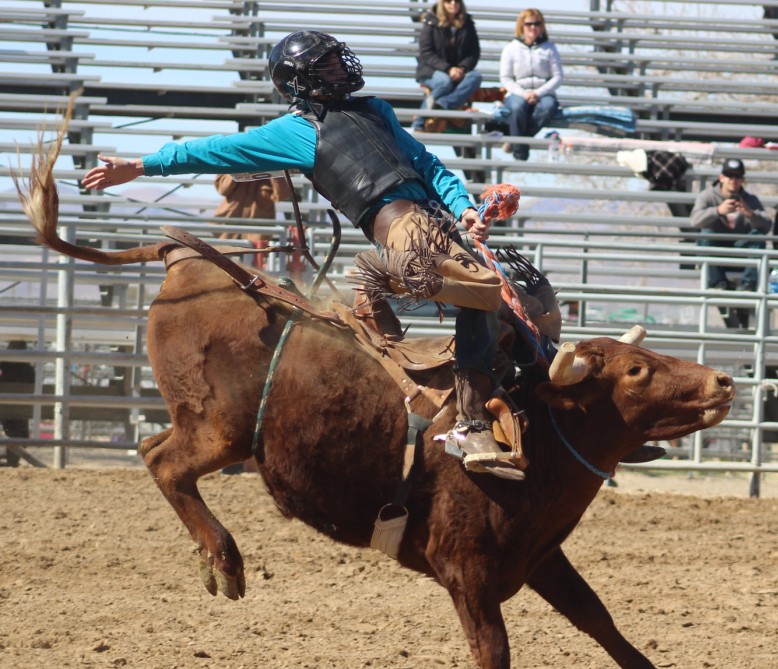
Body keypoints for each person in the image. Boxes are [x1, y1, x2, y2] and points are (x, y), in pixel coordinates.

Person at [81, 30, 522, 481]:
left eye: (336, 59)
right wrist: (140, 166)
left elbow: (428, 164)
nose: (341, 67)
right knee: (486, 291)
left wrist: (464, 208)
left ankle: (526, 397)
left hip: (437, 225)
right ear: (300, 80)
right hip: (403, 230)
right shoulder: (297, 131)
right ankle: (470, 424)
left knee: (523, 307)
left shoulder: (375, 110)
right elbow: (216, 151)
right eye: (328, 63)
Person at [689, 158, 772, 329]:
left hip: (740, 250)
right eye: (729, 175)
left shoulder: (750, 199)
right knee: (706, 234)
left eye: (737, 176)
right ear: (721, 177)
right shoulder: (708, 196)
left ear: (742, 179)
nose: (733, 180)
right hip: (716, 250)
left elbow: (766, 226)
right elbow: (694, 221)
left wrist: (749, 214)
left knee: (757, 236)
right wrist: (718, 211)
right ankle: (718, 284)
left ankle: (748, 285)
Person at [499, 8, 563, 162]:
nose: (533, 27)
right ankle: (520, 155)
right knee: (517, 107)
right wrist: (524, 93)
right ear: (522, 26)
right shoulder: (511, 48)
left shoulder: (550, 48)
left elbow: (557, 76)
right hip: (518, 92)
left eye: (537, 23)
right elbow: (506, 78)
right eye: (529, 24)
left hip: (543, 93)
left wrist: (538, 93)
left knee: (548, 106)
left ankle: (516, 141)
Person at [413, 0, 483, 132]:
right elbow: (426, 53)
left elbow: (474, 53)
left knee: (475, 77)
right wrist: (448, 69)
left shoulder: (468, 23)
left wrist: (462, 69)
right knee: (444, 82)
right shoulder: (430, 22)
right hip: (431, 70)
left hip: (458, 72)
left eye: (456, 1)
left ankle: (442, 104)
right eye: (448, 1)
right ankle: (419, 122)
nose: (453, 4)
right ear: (442, 3)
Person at [0, 341, 35, 468]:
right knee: (20, 435)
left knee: (14, 433)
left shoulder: (4, 365)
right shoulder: (27, 368)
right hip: (19, 407)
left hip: (6, 406)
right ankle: (12, 461)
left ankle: (11, 461)